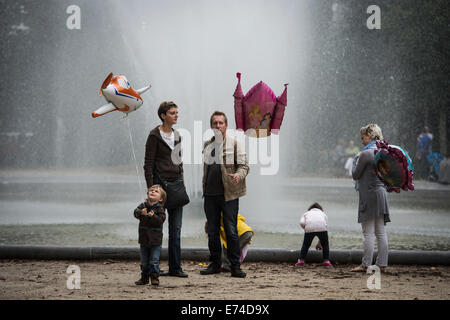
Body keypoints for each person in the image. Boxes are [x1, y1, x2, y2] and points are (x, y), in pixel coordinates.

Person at [200, 111, 250, 278]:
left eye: (221, 123)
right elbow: (206, 170)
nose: (218, 126)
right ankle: (215, 264)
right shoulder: (207, 145)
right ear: (211, 126)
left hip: (229, 195)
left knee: (231, 231)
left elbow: (244, 166)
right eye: (215, 123)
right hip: (210, 195)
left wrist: (238, 176)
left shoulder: (235, 144)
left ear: (226, 125)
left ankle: (235, 266)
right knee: (212, 232)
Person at [143, 101, 188, 278]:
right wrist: (151, 188)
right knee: (156, 229)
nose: (176, 115)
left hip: (176, 185)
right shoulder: (154, 136)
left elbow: (179, 162)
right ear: (163, 115)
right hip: (159, 185)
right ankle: (153, 267)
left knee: (176, 229)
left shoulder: (177, 135)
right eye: (172, 113)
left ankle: (175, 268)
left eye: (177, 112)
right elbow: (148, 164)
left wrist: (182, 182)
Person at [351, 123, 390, 273]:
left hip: (369, 194)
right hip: (381, 193)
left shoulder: (366, 154)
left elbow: (356, 175)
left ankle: (366, 264)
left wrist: (356, 159)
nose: (362, 141)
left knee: (368, 232)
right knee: (380, 232)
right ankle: (382, 264)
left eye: (363, 137)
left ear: (370, 135)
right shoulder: (384, 152)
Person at [133, 185, 167, 286]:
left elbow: (161, 220)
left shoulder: (160, 208)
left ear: (160, 198)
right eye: (151, 190)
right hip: (144, 239)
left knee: (154, 260)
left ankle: (154, 277)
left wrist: (153, 216)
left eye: (156, 191)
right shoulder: (143, 205)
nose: (152, 192)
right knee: (144, 261)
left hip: (155, 240)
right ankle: (144, 277)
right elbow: (135, 213)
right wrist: (141, 212)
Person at [295, 203, 332, 268]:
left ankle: (301, 261)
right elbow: (325, 225)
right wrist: (320, 242)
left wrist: (305, 228)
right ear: (320, 209)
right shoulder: (323, 214)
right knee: (325, 244)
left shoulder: (306, 213)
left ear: (310, 209)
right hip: (322, 228)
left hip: (309, 228)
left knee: (306, 245)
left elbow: (301, 222)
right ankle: (326, 262)